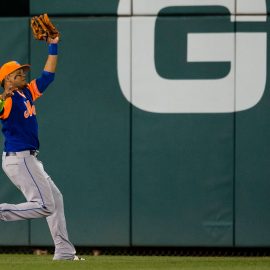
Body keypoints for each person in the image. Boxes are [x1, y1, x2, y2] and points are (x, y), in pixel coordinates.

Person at [0, 37, 84, 261]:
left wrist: (53, 45)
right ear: (7, 79)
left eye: (23, 72)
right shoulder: (7, 100)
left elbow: (48, 76)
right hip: (20, 159)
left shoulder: (26, 92)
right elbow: (1, 107)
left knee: (55, 199)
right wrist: (1, 99)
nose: (23, 75)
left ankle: (65, 252)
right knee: (45, 205)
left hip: (28, 160)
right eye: (18, 73)